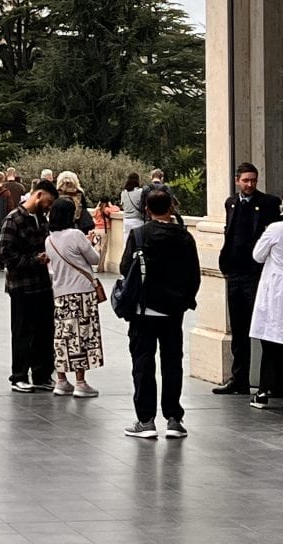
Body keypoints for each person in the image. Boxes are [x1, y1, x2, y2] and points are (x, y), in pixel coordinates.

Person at [120, 187, 200, 438]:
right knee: (172, 362)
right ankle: (174, 417)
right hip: (173, 311)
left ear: (146, 209)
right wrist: (183, 301)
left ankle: (146, 420)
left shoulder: (139, 234)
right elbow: (193, 275)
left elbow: (125, 267)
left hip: (144, 310)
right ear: (171, 207)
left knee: (143, 363)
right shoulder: (185, 237)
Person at [214, 161, 282, 395]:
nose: (250, 184)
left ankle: (272, 383)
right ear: (237, 181)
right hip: (235, 274)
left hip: (258, 276)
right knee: (238, 328)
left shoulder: (270, 203)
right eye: (246, 180)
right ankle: (239, 379)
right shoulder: (231, 203)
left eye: (253, 180)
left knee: (267, 330)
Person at [0, 178, 59, 392]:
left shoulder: (41, 219)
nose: (49, 206)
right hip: (21, 286)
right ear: (39, 195)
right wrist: (34, 259)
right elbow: (6, 254)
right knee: (23, 331)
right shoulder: (13, 219)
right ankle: (19, 376)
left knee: (45, 330)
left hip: (42, 284)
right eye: (48, 201)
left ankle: (42, 374)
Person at [45, 197, 103, 398]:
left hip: (60, 293)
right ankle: (80, 382)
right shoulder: (76, 235)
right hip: (82, 292)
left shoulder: (49, 239)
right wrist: (92, 243)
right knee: (82, 336)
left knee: (62, 336)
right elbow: (94, 259)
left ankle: (61, 380)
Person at [249, 219, 283, 409]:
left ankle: (263, 392)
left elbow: (258, 255)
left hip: (276, 286)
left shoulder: (275, 229)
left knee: (271, 342)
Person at [91, 195, 120, 273]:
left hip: (97, 230)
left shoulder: (97, 210)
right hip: (104, 230)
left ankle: (94, 265)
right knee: (103, 249)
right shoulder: (107, 209)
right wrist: (110, 205)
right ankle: (100, 267)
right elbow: (117, 209)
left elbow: (94, 215)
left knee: (97, 248)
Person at [120, 172, 144, 243]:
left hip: (126, 220)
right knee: (138, 243)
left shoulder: (123, 193)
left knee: (126, 242)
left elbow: (123, 206)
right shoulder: (140, 192)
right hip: (137, 220)